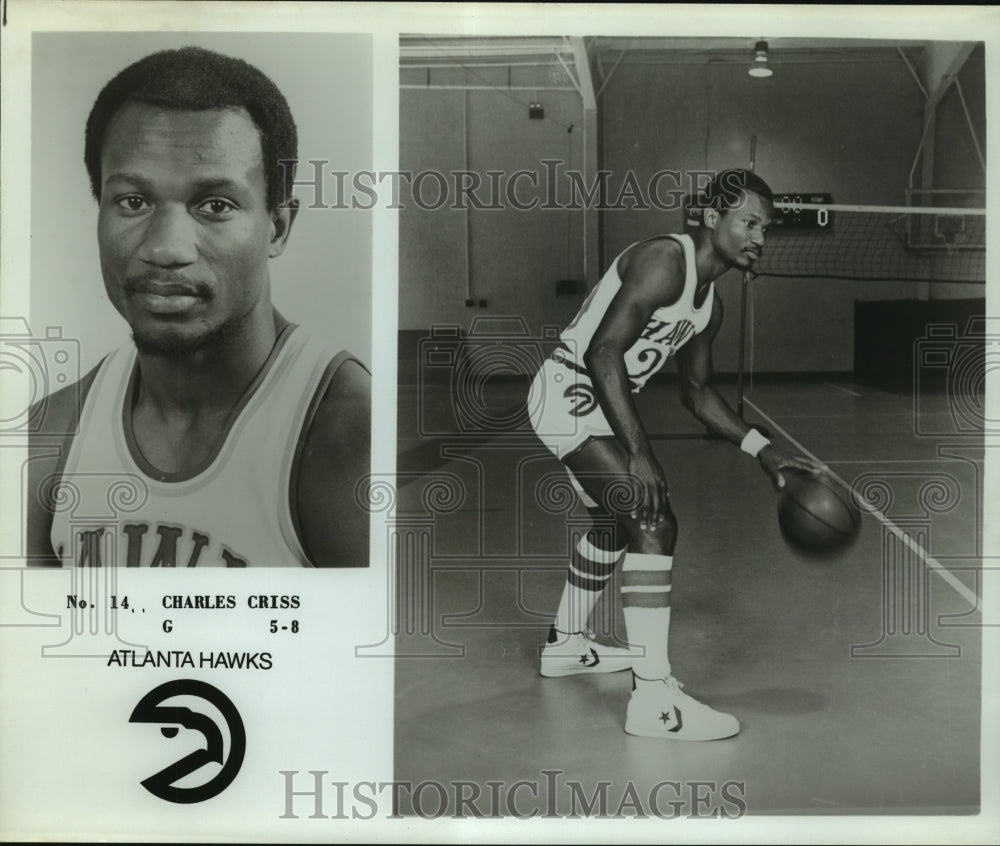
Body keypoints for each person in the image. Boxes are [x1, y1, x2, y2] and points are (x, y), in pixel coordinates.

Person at [25, 47, 370, 568]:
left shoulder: (348, 436)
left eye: (215, 206)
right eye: (133, 202)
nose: (167, 248)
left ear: (278, 227)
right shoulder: (48, 433)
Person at [528, 169, 819, 739]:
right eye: (750, 221)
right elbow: (602, 351)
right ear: (712, 219)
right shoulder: (666, 260)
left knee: (615, 528)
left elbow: (697, 392)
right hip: (569, 392)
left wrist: (763, 450)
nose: (760, 236)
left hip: (592, 401)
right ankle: (654, 703)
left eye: (767, 227)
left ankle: (565, 646)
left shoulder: (708, 307)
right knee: (652, 520)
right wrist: (639, 452)